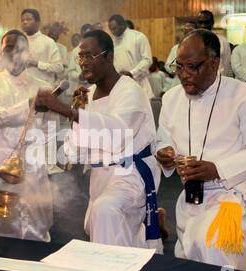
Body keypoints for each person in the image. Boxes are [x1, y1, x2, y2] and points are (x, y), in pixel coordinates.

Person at [156, 29, 246, 271]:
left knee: (212, 251)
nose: (184, 75)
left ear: (215, 63)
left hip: (231, 196)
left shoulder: (245, 96)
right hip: (190, 196)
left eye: (193, 67)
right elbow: (163, 139)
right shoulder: (171, 98)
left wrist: (217, 169)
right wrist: (164, 153)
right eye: (179, 67)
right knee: (191, 263)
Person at [35, 30, 163, 252]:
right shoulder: (88, 94)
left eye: (89, 56)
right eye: (80, 57)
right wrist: (77, 114)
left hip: (130, 174)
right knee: (97, 224)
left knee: (106, 210)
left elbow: (118, 136)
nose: (83, 62)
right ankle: (142, 239)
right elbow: (76, 152)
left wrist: (68, 111)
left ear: (109, 57)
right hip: (100, 176)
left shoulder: (129, 90)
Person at [0, 30, 53, 241]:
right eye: (9, 48)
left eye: (21, 49)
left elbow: (42, 125)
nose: (15, 53)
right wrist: (30, 104)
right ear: (1, 52)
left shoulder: (38, 84)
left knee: (32, 215)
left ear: (28, 53)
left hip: (30, 156)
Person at [21, 8, 64, 175]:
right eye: (23, 19)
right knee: (29, 128)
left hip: (46, 90)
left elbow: (58, 66)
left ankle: (50, 164)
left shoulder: (47, 42)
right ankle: (30, 163)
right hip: (25, 92)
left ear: (37, 22)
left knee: (49, 128)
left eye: (29, 19)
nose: (25, 22)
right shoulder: (19, 41)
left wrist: (37, 63)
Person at [108, 14, 154, 99]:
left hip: (139, 83)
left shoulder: (138, 37)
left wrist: (132, 73)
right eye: (111, 30)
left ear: (122, 25)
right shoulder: (112, 42)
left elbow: (147, 60)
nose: (113, 32)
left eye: (114, 28)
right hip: (122, 86)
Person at [197, 10, 233, 77]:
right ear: (197, 23)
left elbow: (226, 62)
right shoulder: (192, 41)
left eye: (206, 22)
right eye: (200, 22)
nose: (203, 25)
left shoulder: (222, 41)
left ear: (212, 23)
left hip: (218, 80)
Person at [165, 21, 197, 90]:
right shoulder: (176, 48)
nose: (188, 34)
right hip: (178, 82)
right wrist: (178, 68)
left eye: (190, 31)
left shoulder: (200, 48)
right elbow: (167, 66)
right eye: (186, 31)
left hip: (195, 81)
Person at [67, 24, 94, 96]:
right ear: (81, 35)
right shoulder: (75, 51)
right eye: (85, 35)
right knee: (78, 107)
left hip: (97, 87)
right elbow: (70, 72)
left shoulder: (101, 49)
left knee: (98, 107)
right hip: (80, 89)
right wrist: (79, 76)